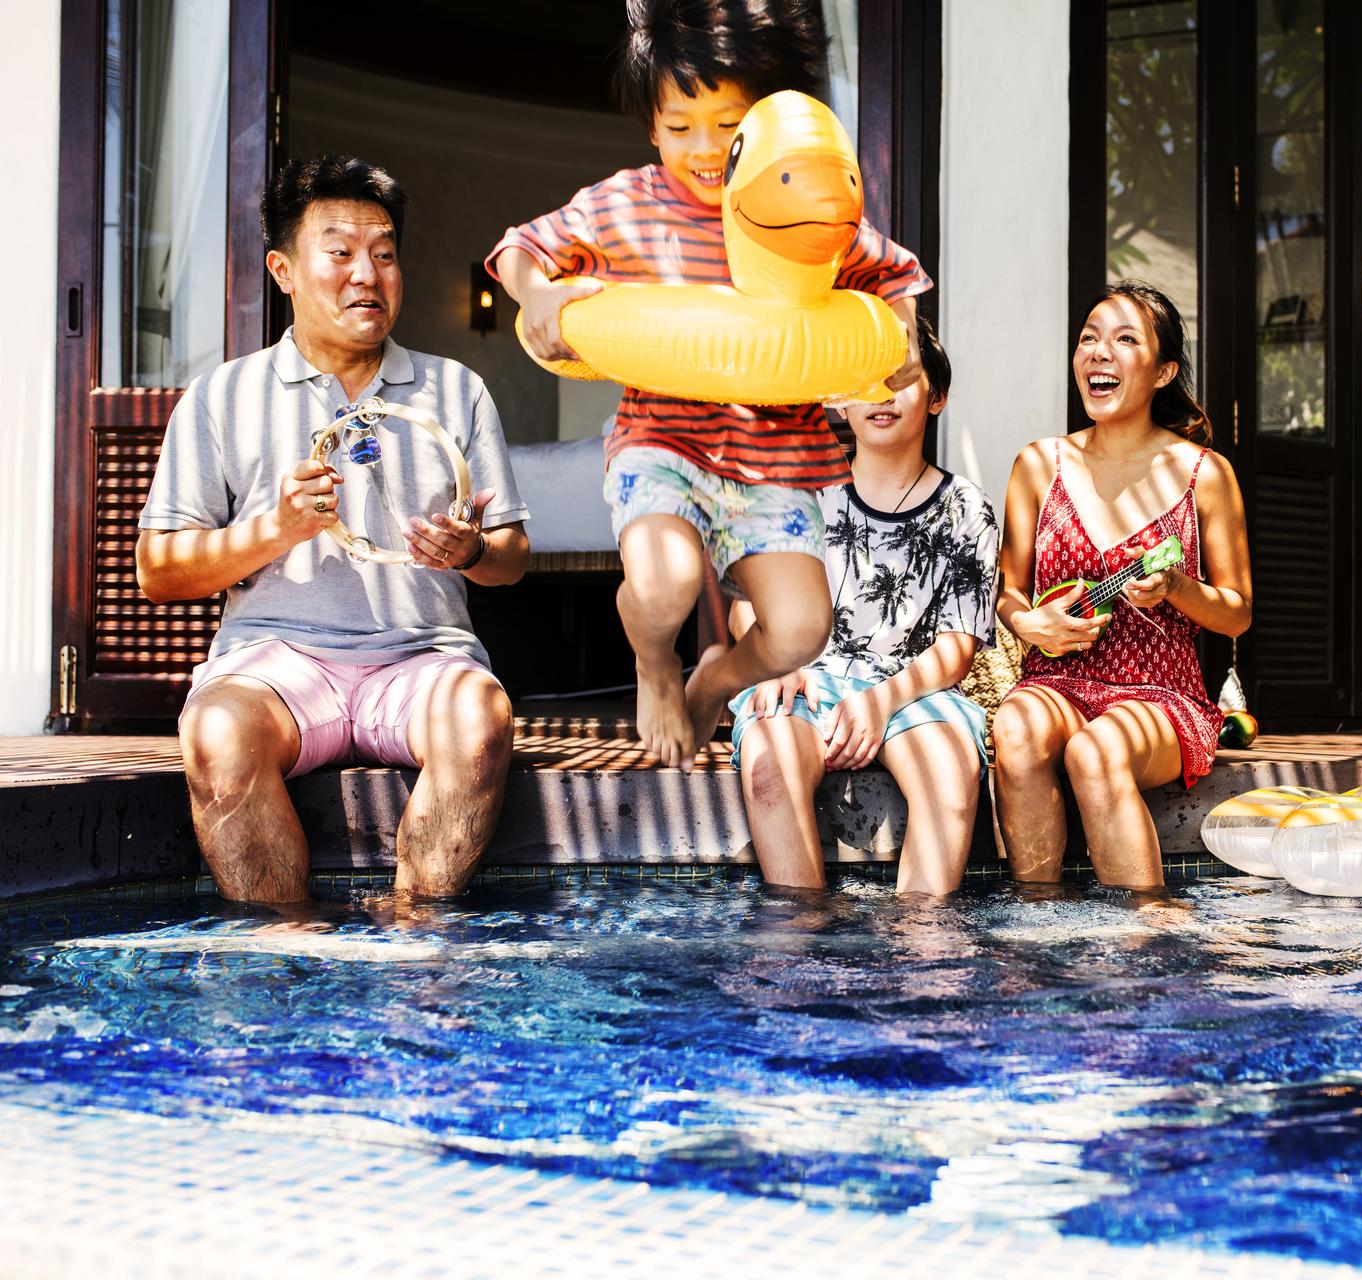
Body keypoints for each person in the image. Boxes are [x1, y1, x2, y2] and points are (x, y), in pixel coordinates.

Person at [488, 0, 930, 770]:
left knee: (799, 631)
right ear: (652, 126)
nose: (704, 147)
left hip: (775, 459)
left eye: (728, 125)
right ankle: (656, 662)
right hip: (664, 440)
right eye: (681, 125)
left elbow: (893, 276)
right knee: (666, 587)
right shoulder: (628, 205)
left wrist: (904, 342)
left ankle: (714, 678)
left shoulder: (795, 205)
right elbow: (521, 248)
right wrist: (541, 296)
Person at [135, 156, 530, 905]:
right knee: (219, 733)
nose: (367, 275)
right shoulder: (223, 396)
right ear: (283, 269)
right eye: (341, 253)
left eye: (384, 255)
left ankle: (414, 942)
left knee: (481, 721)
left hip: (422, 658)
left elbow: (510, 559)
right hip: (276, 663)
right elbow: (157, 571)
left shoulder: (457, 391)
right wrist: (273, 531)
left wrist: (474, 551)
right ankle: (289, 952)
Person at [992, 280, 1252, 889]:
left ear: (1163, 372)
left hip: (1161, 694)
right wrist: (1029, 623)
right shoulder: (1038, 464)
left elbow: (1237, 612)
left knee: (1096, 752)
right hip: (1056, 681)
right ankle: (1037, 927)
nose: (1098, 353)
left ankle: (1147, 944)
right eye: (1088, 339)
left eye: (1123, 340)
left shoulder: (1205, 475)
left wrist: (1178, 589)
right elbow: (1008, 594)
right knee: (1017, 728)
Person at [729, 321, 997, 896]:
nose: (881, 394)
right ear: (841, 403)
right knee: (769, 769)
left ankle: (923, 957)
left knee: (949, 775)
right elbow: (748, 609)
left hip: (915, 690)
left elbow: (957, 647)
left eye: (901, 378)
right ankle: (801, 952)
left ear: (937, 397)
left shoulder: (966, 508)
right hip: (805, 674)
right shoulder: (799, 495)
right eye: (866, 380)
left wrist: (880, 701)